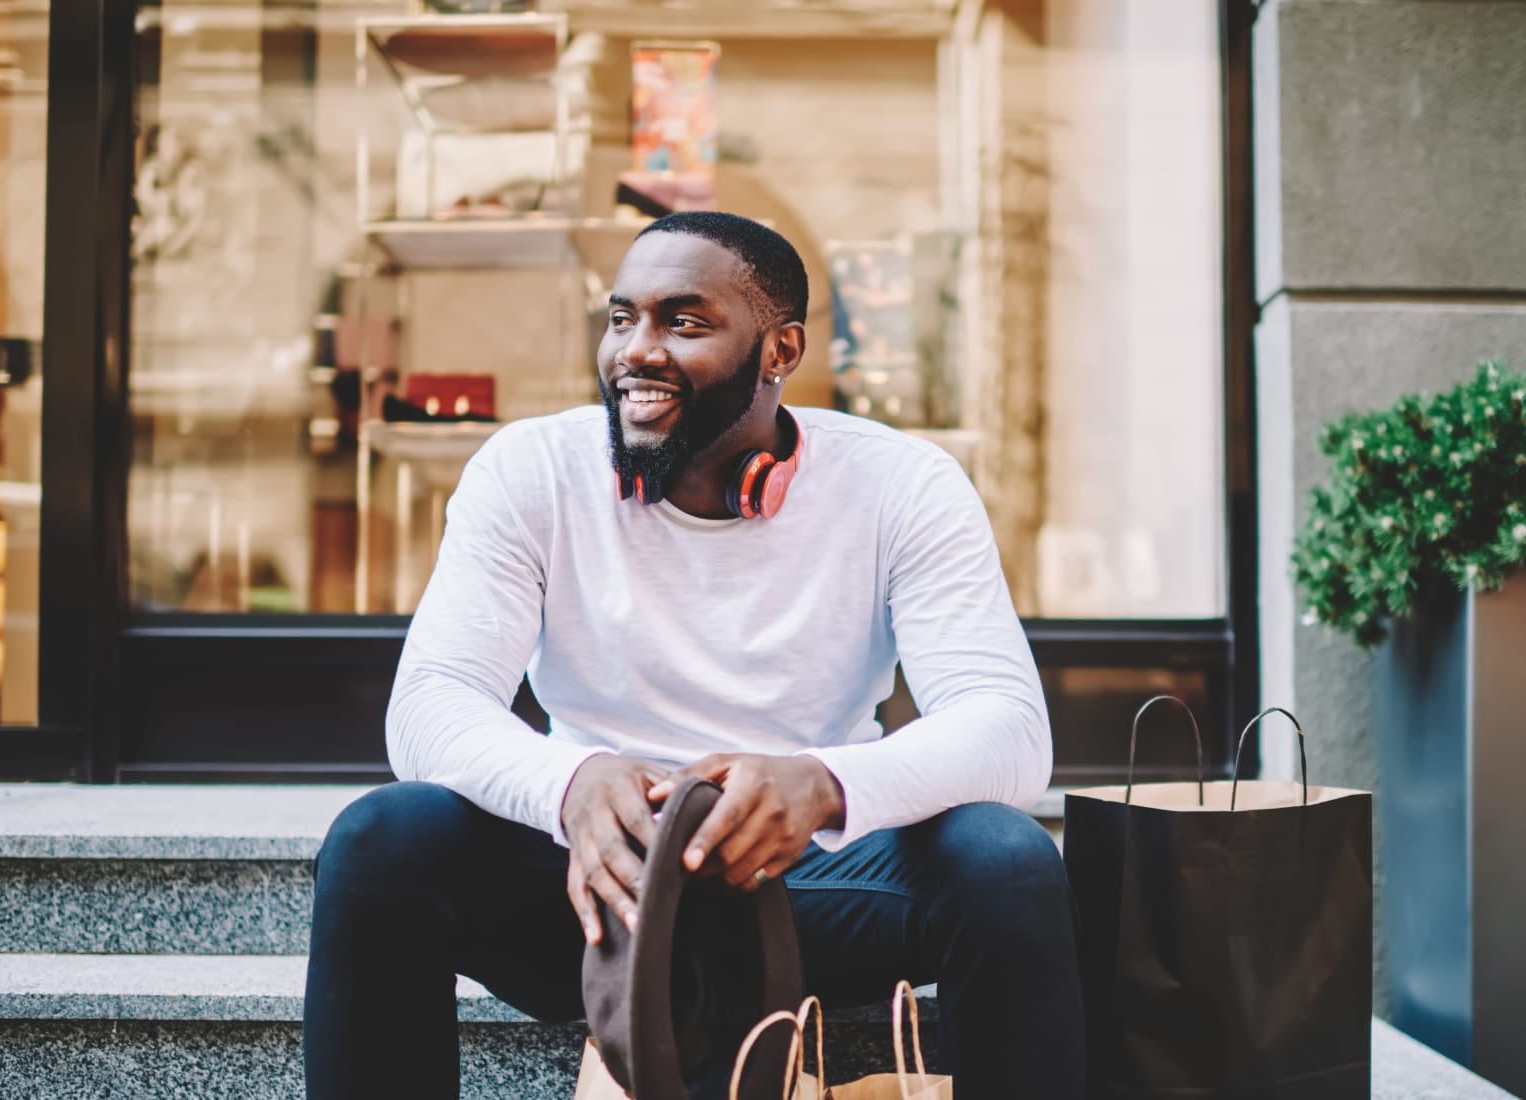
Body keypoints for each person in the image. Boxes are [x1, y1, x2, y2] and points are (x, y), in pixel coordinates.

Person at [303, 212, 1083, 1098]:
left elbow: (1010, 730)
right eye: (622, 317)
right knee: (380, 839)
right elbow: (432, 703)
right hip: (598, 896)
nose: (637, 350)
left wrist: (823, 785)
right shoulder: (529, 471)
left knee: (1006, 858)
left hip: (804, 891)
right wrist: (571, 783)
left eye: (684, 321)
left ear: (779, 351)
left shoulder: (902, 484)